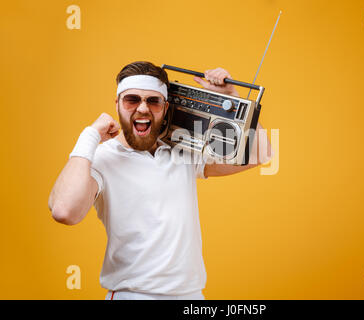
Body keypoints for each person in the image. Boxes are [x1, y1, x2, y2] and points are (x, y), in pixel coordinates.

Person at [48, 61, 272, 300]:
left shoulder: (183, 151)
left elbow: (262, 153)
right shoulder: (102, 158)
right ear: (117, 104)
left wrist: (232, 100)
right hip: (133, 295)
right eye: (132, 99)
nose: (143, 109)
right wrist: (90, 135)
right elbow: (64, 211)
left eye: (152, 101)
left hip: (191, 297)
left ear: (165, 107)